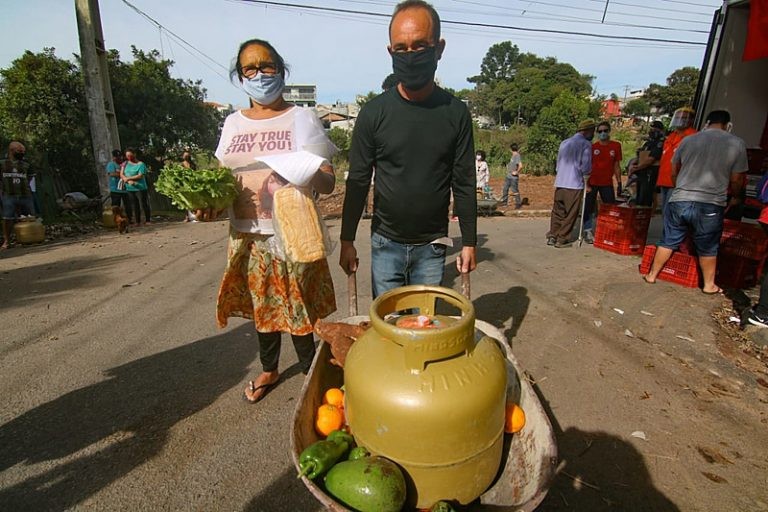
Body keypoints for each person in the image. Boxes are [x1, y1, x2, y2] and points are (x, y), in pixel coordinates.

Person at [215, 38, 337, 404]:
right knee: (262, 306)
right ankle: (269, 369)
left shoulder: (302, 118)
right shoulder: (232, 123)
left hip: (293, 235)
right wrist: (208, 204)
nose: (259, 74)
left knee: (299, 309)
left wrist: (307, 170)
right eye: (250, 68)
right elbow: (223, 181)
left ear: (281, 70)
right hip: (247, 235)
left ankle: (312, 378)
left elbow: (328, 182)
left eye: (266, 66)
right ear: (240, 76)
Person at [339, 0, 477, 297]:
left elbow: (464, 181)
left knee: (424, 330)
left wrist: (469, 242)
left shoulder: (455, 113)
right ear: (390, 52)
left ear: (438, 49)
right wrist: (346, 240)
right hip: (384, 243)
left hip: (433, 246)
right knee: (388, 331)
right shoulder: (373, 114)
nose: (410, 55)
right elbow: (359, 180)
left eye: (420, 46)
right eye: (401, 48)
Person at [643, 110, 748, 294]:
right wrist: (737, 196)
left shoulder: (689, 140)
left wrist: (678, 188)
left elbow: (674, 169)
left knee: (668, 239)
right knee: (708, 246)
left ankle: (652, 274)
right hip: (710, 202)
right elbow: (737, 178)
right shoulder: (736, 144)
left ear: (707, 123)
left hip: (680, 198)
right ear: (727, 124)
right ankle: (709, 285)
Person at [546, 119, 595, 248]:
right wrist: (586, 181)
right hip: (574, 184)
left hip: (560, 182)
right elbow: (585, 167)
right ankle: (562, 239)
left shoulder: (564, 143)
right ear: (588, 131)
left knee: (557, 211)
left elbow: (558, 164)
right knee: (571, 214)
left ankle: (552, 235)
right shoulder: (585, 144)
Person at [583, 121, 622, 243]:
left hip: (607, 183)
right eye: (600, 131)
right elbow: (587, 165)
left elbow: (616, 166)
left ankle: (608, 230)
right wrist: (586, 183)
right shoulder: (593, 147)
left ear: (609, 131)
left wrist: (619, 182)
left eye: (605, 130)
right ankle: (588, 231)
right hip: (593, 182)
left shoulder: (615, 146)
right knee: (588, 207)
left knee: (610, 207)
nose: (603, 133)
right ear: (597, 133)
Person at [656, 107, 697, 216]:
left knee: (671, 215)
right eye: (678, 117)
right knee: (666, 214)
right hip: (665, 180)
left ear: (691, 120)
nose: (680, 120)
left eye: (683, 118)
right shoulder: (671, 136)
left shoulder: (692, 137)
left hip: (678, 182)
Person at [1, 141, 35, 249]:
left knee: (29, 217)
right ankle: (7, 241)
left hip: (25, 194)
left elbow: (30, 177)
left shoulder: (26, 164)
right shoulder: (2, 163)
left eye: (23, 151)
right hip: (8, 195)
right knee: (7, 218)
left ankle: (29, 238)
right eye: (19, 151)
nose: (22, 153)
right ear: (11, 151)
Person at [629, 120, 665, 208]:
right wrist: (632, 166)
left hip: (650, 173)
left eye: (654, 129)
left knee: (645, 199)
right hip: (642, 173)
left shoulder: (660, 143)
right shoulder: (648, 143)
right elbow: (640, 155)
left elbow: (651, 159)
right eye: (651, 129)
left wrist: (636, 168)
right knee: (639, 198)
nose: (652, 131)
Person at [120, 148, 151, 227]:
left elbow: (140, 175)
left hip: (140, 187)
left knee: (144, 204)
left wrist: (129, 178)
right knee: (134, 205)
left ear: (134, 154)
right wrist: (126, 180)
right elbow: (121, 174)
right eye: (127, 156)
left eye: (130, 155)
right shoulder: (125, 163)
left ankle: (148, 220)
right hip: (130, 188)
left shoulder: (140, 164)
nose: (129, 157)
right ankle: (137, 221)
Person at [106, 149, 132, 219]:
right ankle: (116, 220)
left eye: (120, 156)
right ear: (114, 157)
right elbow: (111, 174)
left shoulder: (124, 164)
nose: (120, 158)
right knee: (116, 207)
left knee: (128, 205)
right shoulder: (111, 164)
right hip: (115, 189)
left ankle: (129, 219)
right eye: (117, 157)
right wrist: (122, 174)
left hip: (125, 189)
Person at [180, 150, 202, 223]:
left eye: (187, 156)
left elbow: (195, 173)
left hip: (193, 184)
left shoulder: (192, 164)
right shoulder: (181, 165)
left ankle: (195, 215)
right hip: (185, 184)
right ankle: (187, 217)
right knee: (186, 201)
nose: (186, 157)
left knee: (193, 200)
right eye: (185, 156)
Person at [500, 143, 522, 209]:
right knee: (505, 189)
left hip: (513, 177)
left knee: (515, 190)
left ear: (511, 149)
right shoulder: (513, 156)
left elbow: (521, 166)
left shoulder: (517, 156)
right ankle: (504, 202)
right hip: (508, 176)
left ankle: (518, 204)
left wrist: (516, 172)